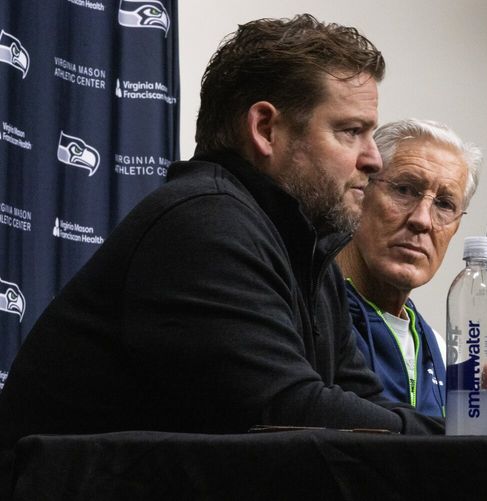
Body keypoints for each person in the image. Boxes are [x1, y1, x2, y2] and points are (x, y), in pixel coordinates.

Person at [0, 14, 444, 471]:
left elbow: (364, 405)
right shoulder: (203, 225)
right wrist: (458, 439)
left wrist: (461, 434)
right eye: (351, 131)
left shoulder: (310, 255)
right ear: (265, 129)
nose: (373, 159)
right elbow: (288, 414)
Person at [337, 119, 487, 433]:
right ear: (361, 191)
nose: (422, 220)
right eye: (404, 190)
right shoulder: (312, 317)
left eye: (444, 204)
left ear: (456, 226)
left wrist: (485, 427)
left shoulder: (438, 348)